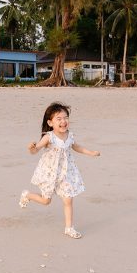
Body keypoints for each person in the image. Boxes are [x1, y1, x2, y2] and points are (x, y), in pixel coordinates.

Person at [19, 102, 100, 238]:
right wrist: (31, 148)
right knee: (46, 201)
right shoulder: (48, 137)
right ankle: (27, 195)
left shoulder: (70, 135)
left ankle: (69, 228)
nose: (63, 121)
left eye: (65, 118)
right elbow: (35, 150)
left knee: (68, 200)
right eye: (59, 119)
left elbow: (77, 147)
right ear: (50, 123)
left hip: (66, 172)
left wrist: (90, 152)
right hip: (50, 172)